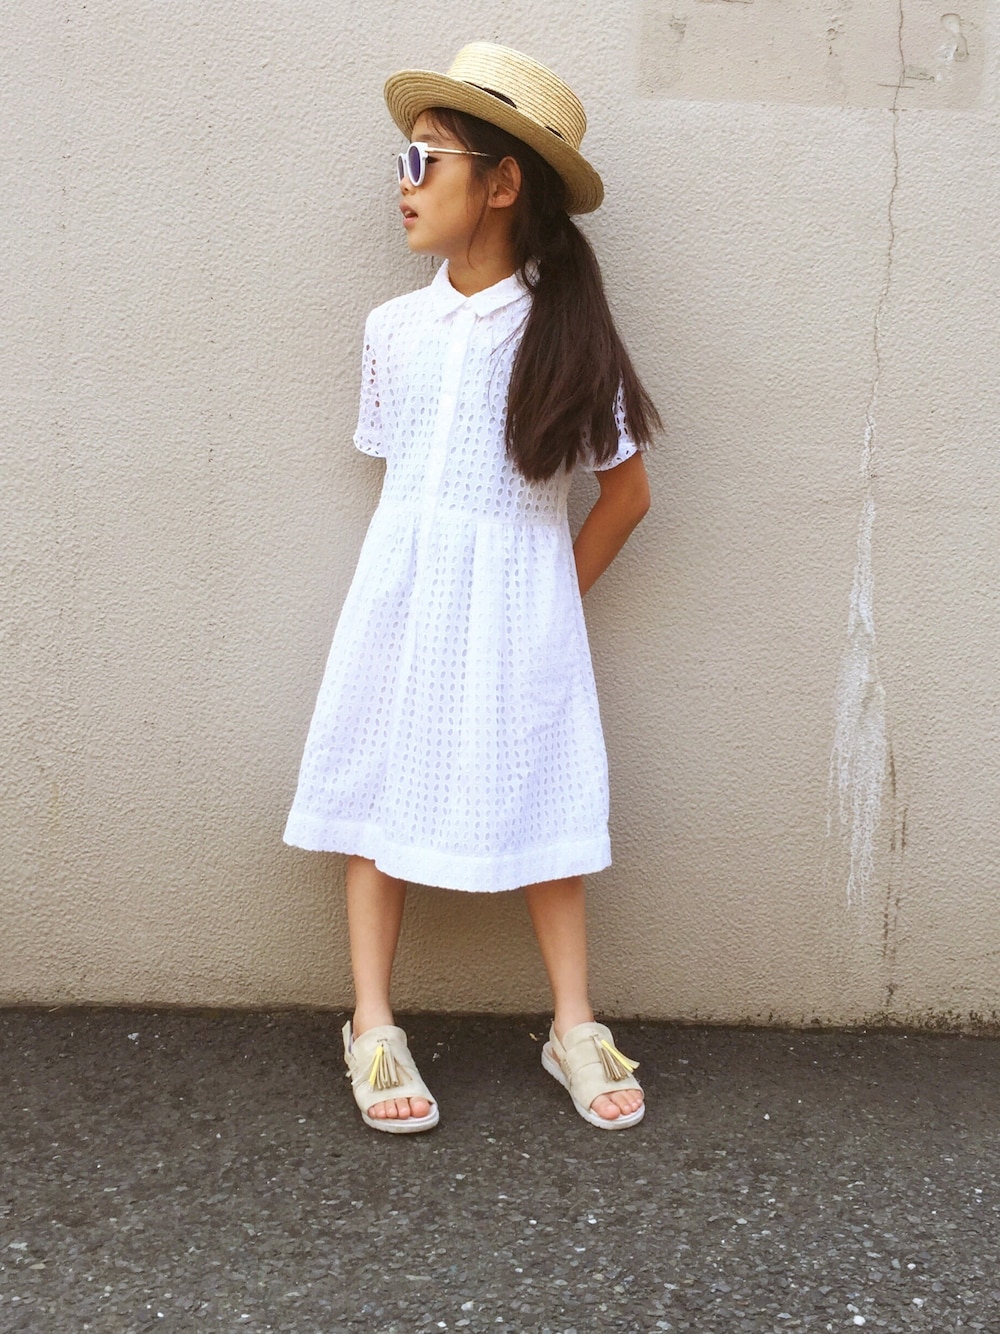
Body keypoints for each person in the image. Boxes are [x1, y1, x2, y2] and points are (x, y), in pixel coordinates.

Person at [284, 42, 660, 1133]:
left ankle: (573, 1022)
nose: (402, 183)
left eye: (425, 160)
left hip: (518, 607)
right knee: (378, 780)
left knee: (546, 788)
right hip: (403, 596)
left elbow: (627, 494)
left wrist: (552, 597)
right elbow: (403, 473)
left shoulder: (564, 330)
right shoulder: (392, 329)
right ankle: (371, 1020)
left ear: (502, 183)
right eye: (401, 160)